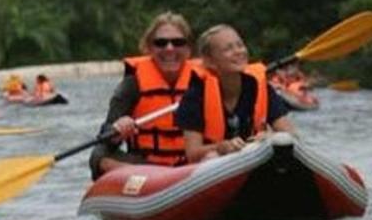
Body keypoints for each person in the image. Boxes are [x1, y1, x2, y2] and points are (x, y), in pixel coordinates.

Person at [88, 12, 197, 178]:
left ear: (188, 49)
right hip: (147, 167)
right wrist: (117, 131)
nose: (170, 48)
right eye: (161, 43)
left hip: (196, 162)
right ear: (149, 48)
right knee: (99, 155)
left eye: (178, 42)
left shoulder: (204, 81)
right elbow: (106, 136)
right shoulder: (132, 85)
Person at [177, 24, 295, 163]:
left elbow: (290, 134)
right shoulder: (195, 95)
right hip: (211, 166)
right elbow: (193, 154)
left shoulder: (260, 87)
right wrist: (221, 147)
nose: (238, 51)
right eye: (228, 49)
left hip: (252, 162)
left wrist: (270, 137)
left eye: (240, 45)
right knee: (211, 156)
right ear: (210, 61)